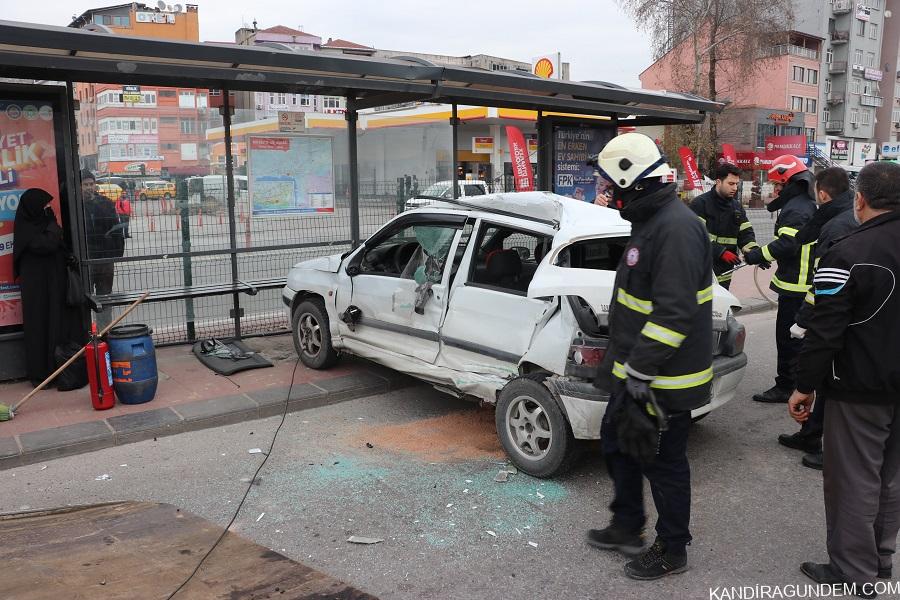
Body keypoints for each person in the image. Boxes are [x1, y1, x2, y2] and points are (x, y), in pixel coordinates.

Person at [586, 133, 713, 580]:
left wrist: (640, 369)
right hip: (635, 371)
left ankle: (672, 548)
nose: (605, 189)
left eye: (608, 182)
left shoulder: (675, 227)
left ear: (630, 180)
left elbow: (673, 313)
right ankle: (626, 524)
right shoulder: (653, 219)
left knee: (663, 463)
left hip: (662, 379)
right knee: (617, 444)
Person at [788, 161, 900, 599]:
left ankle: (854, 572)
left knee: (854, 478)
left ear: (860, 199)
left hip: (859, 388)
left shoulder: (850, 250)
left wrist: (804, 385)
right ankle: (880, 558)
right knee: (889, 475)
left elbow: (825, 329)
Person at [777, 167, 857, 470]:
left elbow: (825, 286)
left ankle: (825, 445)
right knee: (826, 380)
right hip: (844, 314)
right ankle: (810, 434)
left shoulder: (836, 227)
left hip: (833, 317)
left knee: (827, 379)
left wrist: (804, 319)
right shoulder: (844, 217)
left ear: (822, 193)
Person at [743, 155, 816, 403]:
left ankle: (786, 386)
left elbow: (787, 244)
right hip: (800, 283)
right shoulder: (805, 203)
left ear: (789, 182)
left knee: (787, 340)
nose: (774, 190)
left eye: (777, 185)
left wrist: (756, 255)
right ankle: (796, 383)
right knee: (797, 340)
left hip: (795, 286)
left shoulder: (796, 208)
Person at [13, 189, 85, 386]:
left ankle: (61, 370)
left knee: (58, 326)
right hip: (39, 293)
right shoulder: (29, 232)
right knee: (41, 328)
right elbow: (46, 245)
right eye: (44, 206)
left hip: (54, 289)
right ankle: (43, 372)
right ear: (34, 209)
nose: (49, 209)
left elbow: (56, 246)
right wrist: (53, 226)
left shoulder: (44, 225)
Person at [689, 162, 759, 289]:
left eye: (736, 184)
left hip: (724, 275)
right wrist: (720, 252)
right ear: (718, 182)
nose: (735, 188)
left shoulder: (736, 207)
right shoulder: (700, 204)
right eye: (731, 184)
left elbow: (746, 234)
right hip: (701, 272)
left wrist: (755, 253)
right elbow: (695, 237)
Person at [81, 169, 124, 326]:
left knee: (105, 297)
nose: (89, 188)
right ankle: (86, 333)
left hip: (105, 258)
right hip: (86, 258)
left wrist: (117, 252)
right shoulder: (75, 206)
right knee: (84, 298)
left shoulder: (104, 202)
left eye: (91, 184)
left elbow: (115, 227)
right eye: (85, 184)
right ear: (79, 186)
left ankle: (104, 331)